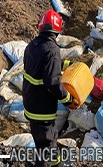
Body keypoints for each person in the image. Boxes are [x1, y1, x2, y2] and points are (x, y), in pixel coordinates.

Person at [23, 10, 76, 166]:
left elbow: (44, 64)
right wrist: (68, 99)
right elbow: (53, 82)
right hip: (43, 110)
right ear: (58, 30)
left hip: (31, 105)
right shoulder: (52, 49)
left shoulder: (33, 45)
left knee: (43, 145)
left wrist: (68, 65)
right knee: (47, 147)